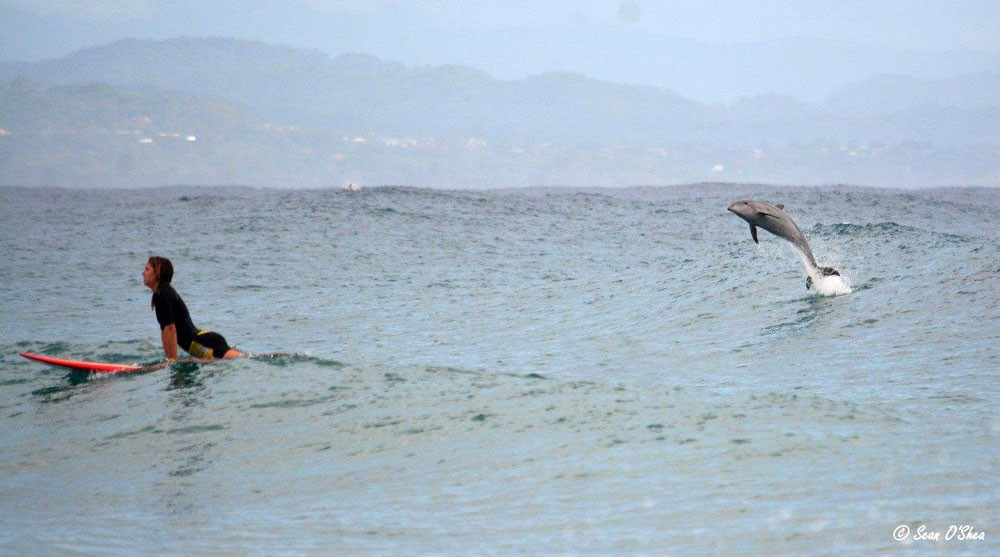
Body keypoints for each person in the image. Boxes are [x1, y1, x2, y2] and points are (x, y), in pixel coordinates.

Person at [142, 256, 244, 361]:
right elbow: (165, 330)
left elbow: (170, 329)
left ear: (157, 273)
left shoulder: (162, 294)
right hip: (202, 341)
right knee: (242, 359)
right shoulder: (162, 293)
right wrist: (169, 359)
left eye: (147, 269)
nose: (143, 273)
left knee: (244, 360)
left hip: (204, 343)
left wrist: (171, 360)